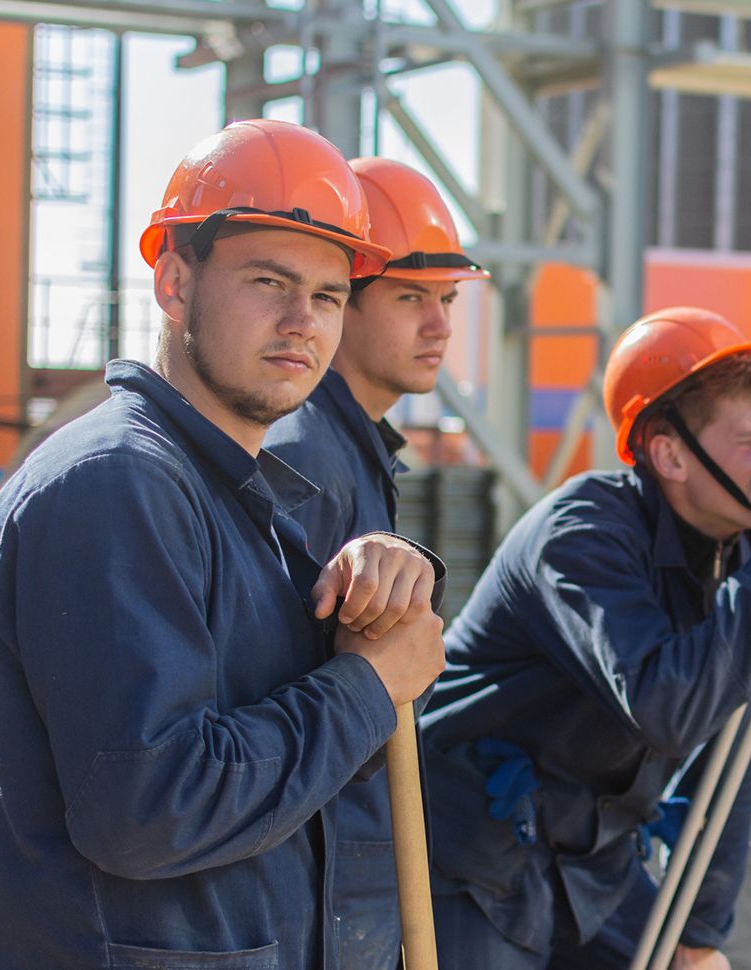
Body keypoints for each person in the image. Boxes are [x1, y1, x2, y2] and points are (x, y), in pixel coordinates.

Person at [0, 119, 445, 969]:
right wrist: (368, 685)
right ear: (174, 282)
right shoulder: (115, 485)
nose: (303, 322)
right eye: (270, 281)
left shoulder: (241, 501)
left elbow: (293, 784)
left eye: (329, 296)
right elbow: (151, 809)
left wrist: (377, 586)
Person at [419, 306, 751, 968]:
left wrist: (700, 935)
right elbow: (666, 704)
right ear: (669, 453)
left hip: (589, 860)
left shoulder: (742, 554)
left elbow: (728, 759)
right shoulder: (581, 534)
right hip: (470, 857)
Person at [264, 157, 490, 966]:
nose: (440, 326)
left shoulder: (350, 446)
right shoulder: (301, 452)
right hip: (318, 879)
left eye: (448, 300)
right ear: (342, 300)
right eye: (409, 298)